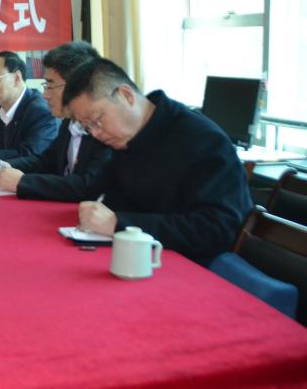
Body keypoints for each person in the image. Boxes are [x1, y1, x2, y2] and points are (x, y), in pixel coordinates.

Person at [63, 57, 252, 263]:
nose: (95, 133)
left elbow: (218, 230)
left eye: (97, 120)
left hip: (194, 266)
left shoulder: (203, 140)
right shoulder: (126, 138)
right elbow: (103, 193)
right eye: (87, 127)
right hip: (139, 256)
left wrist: (121, 224)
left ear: (126, 96)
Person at [0, 41, 112, 201]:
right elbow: (44, 161)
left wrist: (22, 182)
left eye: (50, 86)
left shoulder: (105, 127)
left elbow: (86, 186)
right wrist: (8, 166)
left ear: (78, 85)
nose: (45, 94)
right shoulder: (69, 122)